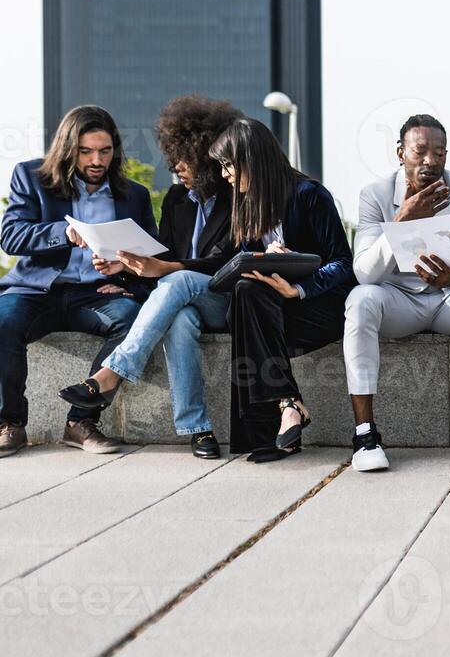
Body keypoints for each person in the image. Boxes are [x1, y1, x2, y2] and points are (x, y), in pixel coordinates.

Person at [56, 96, 243, 459]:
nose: (175, 166)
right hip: (185, 303)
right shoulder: (176, 198)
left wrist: (167, 270)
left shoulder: (236, 196)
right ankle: (198, 428)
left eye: (185, 157)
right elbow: (163, 255)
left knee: (179, 280)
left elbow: (227, 262)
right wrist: (126, 269)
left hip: (225, 299)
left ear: (208, 155)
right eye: (173, 155)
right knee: (180, 320)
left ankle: (112, 373)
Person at [343, 114, 450, 473]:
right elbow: (364, 272)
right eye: (420, 151)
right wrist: (402, 217)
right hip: (399, 301)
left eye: (439, 153)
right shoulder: (374, 195)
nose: (430, 161)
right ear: (401, 152)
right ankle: (365, 434)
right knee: (359, 301)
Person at [0, 105, 157, 457]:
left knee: (133, 318)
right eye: (86, 152)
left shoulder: (134, 195)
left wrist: (128, 274)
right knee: (2, 321)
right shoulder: (30, 177)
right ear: (68, 149)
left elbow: (153, 259)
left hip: (97, 295)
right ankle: (9, 423)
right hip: (37, 290)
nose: (96, 160)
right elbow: (10, 236)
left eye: (104, 151)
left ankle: (80, 422)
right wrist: (65, 233)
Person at [212, 118, 354, 460]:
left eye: (229, 165)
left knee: (248, 306)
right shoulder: (247, 208)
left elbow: (343, 262)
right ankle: (288, 406)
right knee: (246, 292)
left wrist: (299, 286)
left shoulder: (310, 195)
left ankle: (267, 428)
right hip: (269, 314)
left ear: (253, 159)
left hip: (319, 308)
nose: (225, 175)